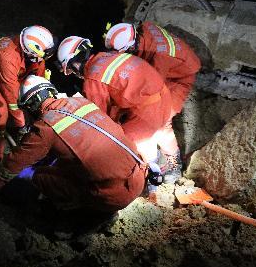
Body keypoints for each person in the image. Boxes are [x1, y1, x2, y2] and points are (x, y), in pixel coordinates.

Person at [0, 75, 149, 212]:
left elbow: (15, 162)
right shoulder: (83, 103)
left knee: (40, 175)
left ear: (31, 105)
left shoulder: (45, 127)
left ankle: (78, 215)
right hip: (140, 174)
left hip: (114, 197)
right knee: (62, 165)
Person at [56, 35, 172, 190]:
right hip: (164, 95)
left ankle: (151, 183)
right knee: (164, 134)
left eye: (70, 69)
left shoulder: (92, 79)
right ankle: (173, 167)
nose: (74, 73)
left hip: (147, 110)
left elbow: (101, 120)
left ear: (75, 62)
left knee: (127, 147)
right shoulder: (108, 56)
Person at [104, 22, 201, 183]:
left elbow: (152, 88)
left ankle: (174, 164)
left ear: (132, 46)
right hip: (170, 69)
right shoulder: (143, 29)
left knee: (162, 120)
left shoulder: (158, 56)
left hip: (180, 78)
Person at [0, 26, 55, 166]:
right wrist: (21, 126)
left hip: (11, 73)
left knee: (28, 102)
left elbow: (38, 77)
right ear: (31, 50)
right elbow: (12, 99)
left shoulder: (33, 51)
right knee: (1, 112)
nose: (44, 58)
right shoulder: (7, 58)